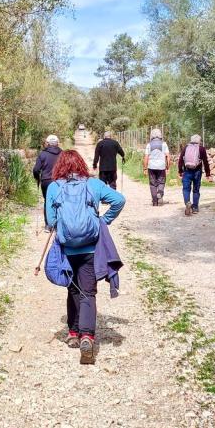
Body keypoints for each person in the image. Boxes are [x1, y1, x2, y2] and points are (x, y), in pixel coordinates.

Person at [45, 150, 126, 365]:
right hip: (90, 249)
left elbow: (50, 221)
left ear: (60, 166)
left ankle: (73, 333)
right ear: (81, 164)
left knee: (73, 289)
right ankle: (87, 337)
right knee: (88, 292)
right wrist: (104, 220)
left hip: (67, 248)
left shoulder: (54, 187)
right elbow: (119, 200)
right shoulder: (94, 184)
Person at [178, 134, 211, 216]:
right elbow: (205, 161)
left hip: (187, 171)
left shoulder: (186, 147)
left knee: (186, 189)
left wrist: (180, 171)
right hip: (197, 172)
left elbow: (181, 160)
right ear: (199, 141)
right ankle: (195, 207)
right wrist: (208, 173)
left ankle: (187, 203)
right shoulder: (201, 148)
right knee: (196, 190)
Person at [143, 128, 170, 206]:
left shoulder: (149, 145)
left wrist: (145, 168)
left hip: (151, 166)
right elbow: (168, 156)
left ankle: (155, 202)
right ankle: (160, 193)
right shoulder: (164, 144)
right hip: (161, 166)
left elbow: (146, 157)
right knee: (161, 182)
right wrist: (168, 167)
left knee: (152, 184)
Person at [33, 134, 62, 203]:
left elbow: (36, 170)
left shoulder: (42, 154)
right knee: (60, 202)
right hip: (60, 182)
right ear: (57, 143)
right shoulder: (63, 154)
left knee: (48, 201)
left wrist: (37, 178)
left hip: (46, 182)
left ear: (47, 143)